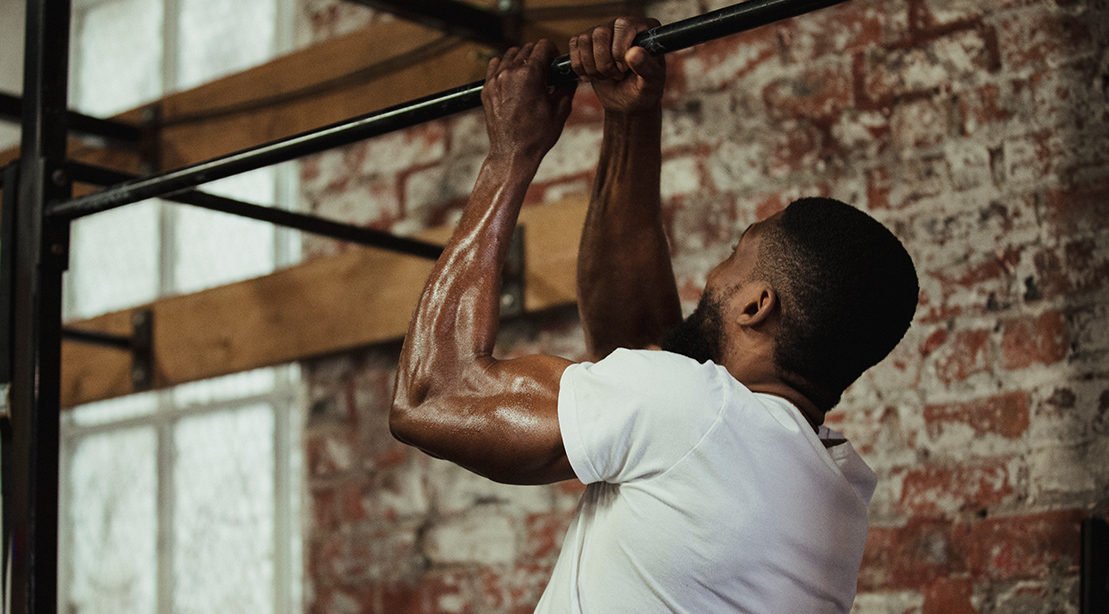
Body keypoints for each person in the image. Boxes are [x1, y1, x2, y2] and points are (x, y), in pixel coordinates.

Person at [390, 17, 919, 614]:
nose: (714, 274)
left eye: (734, 257)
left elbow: (432, 396)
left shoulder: (696, 414)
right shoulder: (837, 491)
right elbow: (639, 348)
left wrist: (510, 154)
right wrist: (631, 119)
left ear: (755, 306)